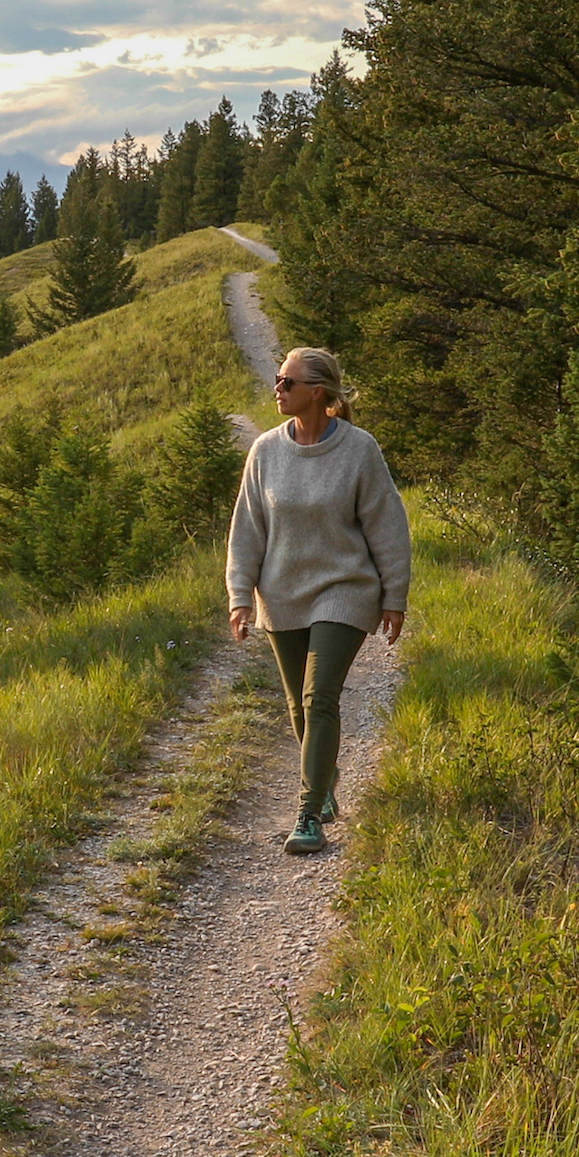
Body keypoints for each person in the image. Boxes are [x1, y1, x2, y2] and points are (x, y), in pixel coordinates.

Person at [225, 346, 411, 856]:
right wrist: (241, 596)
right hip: (281, 593)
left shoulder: (359, 450)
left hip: (345, 589)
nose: (278, 389)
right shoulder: (265, 450)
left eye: (287, 382)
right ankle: (324, 781)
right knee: (297, 706)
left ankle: (308, 815)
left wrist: (393, 596)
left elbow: (387, 525)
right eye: (278, 380)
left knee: (318, 696)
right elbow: (246, 531)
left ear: (319, 392)